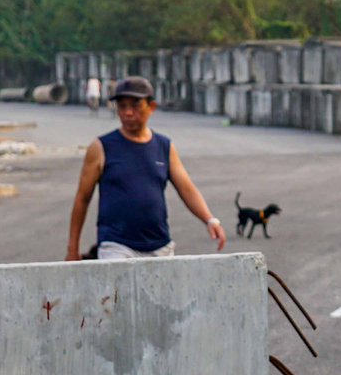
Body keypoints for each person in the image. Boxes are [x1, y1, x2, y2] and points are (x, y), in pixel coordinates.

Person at [65, 76, 226, 259]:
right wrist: (72, 249)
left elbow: (186, 188)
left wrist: (210, 219)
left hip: (160, 246)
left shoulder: (164, 146)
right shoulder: (101, 147)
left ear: (151, 107)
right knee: (119, 288)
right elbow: (82, 199)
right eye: (122, 106)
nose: (128, 113)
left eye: (135, 106)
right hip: (116, 245)